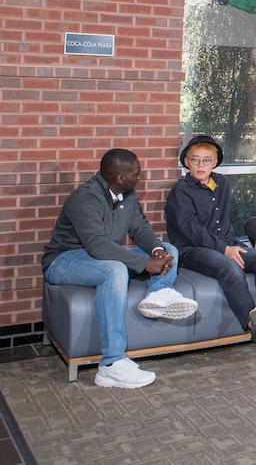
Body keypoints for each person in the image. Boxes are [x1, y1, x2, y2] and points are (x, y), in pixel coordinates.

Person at [42, 149, 198, 388]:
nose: (140, 177)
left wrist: (156, 251)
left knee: (170, 249)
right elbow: (97, 246)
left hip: (103, 255)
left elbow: (140, 230)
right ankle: (111, 365)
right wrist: (145, 263)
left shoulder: (129, 195)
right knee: (115, 270)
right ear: (119, 178)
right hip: (65, 259)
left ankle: (158, 294)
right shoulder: (84, 198)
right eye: (136, 174)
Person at [165, 135, 256, 354]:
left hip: (225, 243)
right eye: (195, 160)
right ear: (186, 162)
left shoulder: (222, 183)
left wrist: (233, 245)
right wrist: (225, 249)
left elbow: (222, 223)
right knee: (229, 267)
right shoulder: (180, 192)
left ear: (215, 162)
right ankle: (254, 327)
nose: (200, 165)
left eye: (206, 160)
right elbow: (193, 233)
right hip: (192, 250)